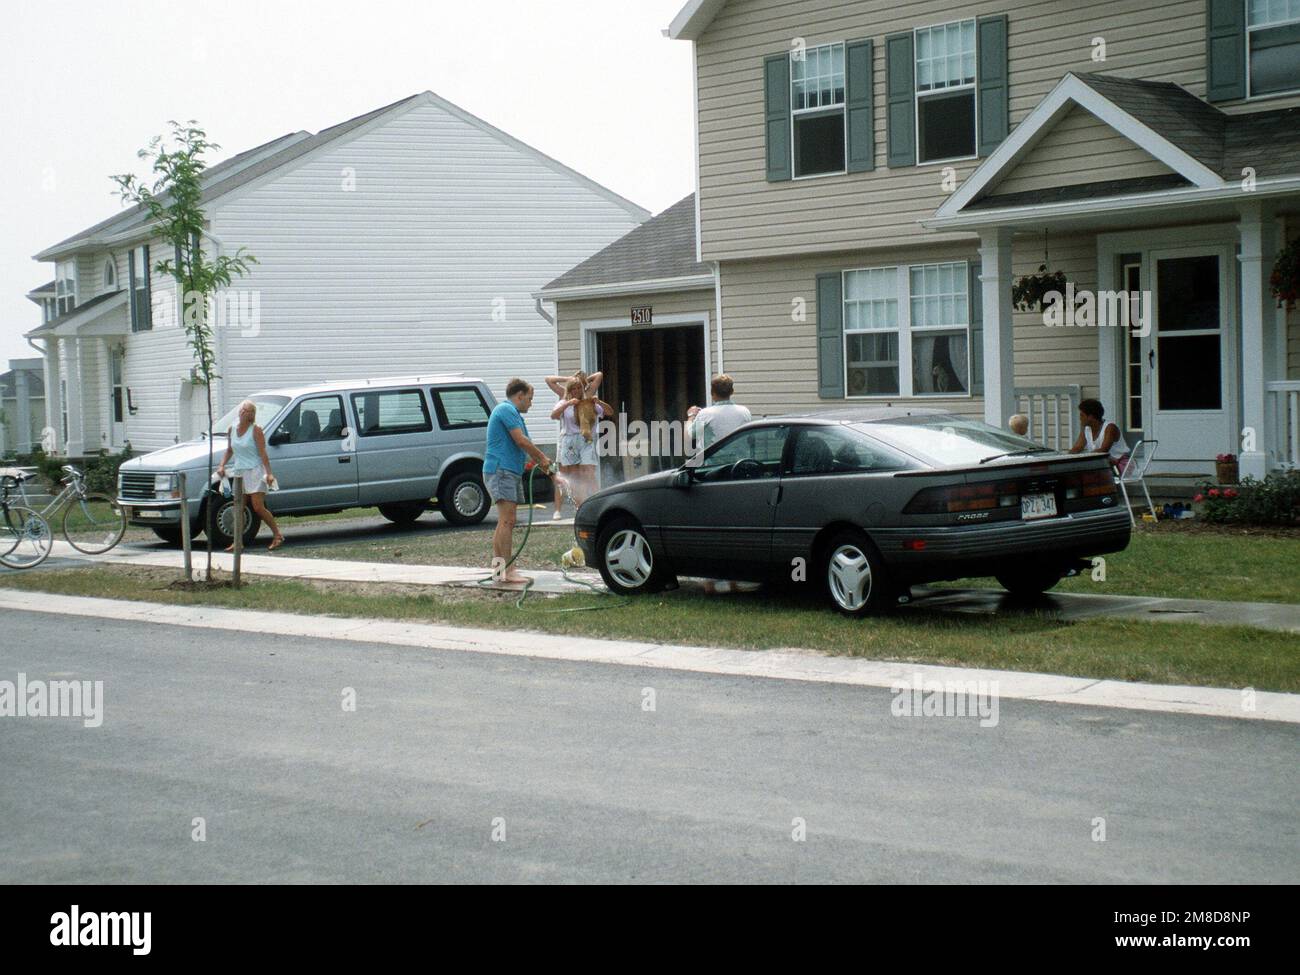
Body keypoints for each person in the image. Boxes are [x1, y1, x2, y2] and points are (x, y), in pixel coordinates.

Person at [484, 378, 554, 583]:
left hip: (507, 471)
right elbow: (521, 441)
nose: (531, 403)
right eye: (530, 399)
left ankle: (500, 570)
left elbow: (525, 445)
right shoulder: (506, 410)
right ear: (519, 395)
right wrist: (542, 457)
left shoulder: (512, 414)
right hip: (501, 470)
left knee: (505, 521)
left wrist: (546, 467)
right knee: (507, 520)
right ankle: (507, 571)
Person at [216, 399, 284, 552]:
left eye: (250, 411)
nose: (247, 413)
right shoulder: (232, 429)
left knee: (257, 506)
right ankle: (237, 541)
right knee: (238, 507)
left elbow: (263, 453)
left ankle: (277, 535)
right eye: (245, 410)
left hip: (255, 470)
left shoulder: (256, 430)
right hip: (239, 471)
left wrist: (269, 473)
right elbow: (229, 450)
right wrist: (222, 465)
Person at [551, 377, 613, 519]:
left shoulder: (588, 401)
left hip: (586, 439)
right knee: (574, 476)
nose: (577, 391)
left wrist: (599, 402)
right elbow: (553, 415)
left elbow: (610, 412)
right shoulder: (564, 402)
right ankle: (580, 507)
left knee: (589, 472)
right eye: (574, 388)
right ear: (569, 390)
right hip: (569, 440)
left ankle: (599, 503)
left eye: (579, 388)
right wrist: (567, 404)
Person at [687, 374, 752, 452]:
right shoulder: (745, 412)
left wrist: (691, 415)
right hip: (740, 463)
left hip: (715, 464)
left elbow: (689, 436)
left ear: (712, 393)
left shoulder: (705, 414)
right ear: (732, 391)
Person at [1070, 398, 1129, 474]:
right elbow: (1078, 447)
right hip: (1103, 464)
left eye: (1082, 415)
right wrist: (1068, 457)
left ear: (1090, 417)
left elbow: (1103, 451)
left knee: (1086, 474)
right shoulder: (1086, 429)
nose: (1080, 418)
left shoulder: (1110, 428)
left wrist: (1084, 458)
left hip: (1120, 464)